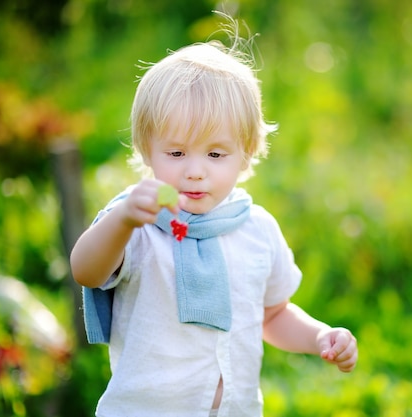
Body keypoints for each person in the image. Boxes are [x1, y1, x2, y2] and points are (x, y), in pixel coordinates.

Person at [70, 21, 358, 417]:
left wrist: (321, 336)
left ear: (247, 153)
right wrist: (122, 220)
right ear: (147, 150)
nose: (194, 171)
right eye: (176, 153)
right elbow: (86, 270)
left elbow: (272, 314)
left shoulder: (256, 229)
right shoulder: (139, 222)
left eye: (215, 154)